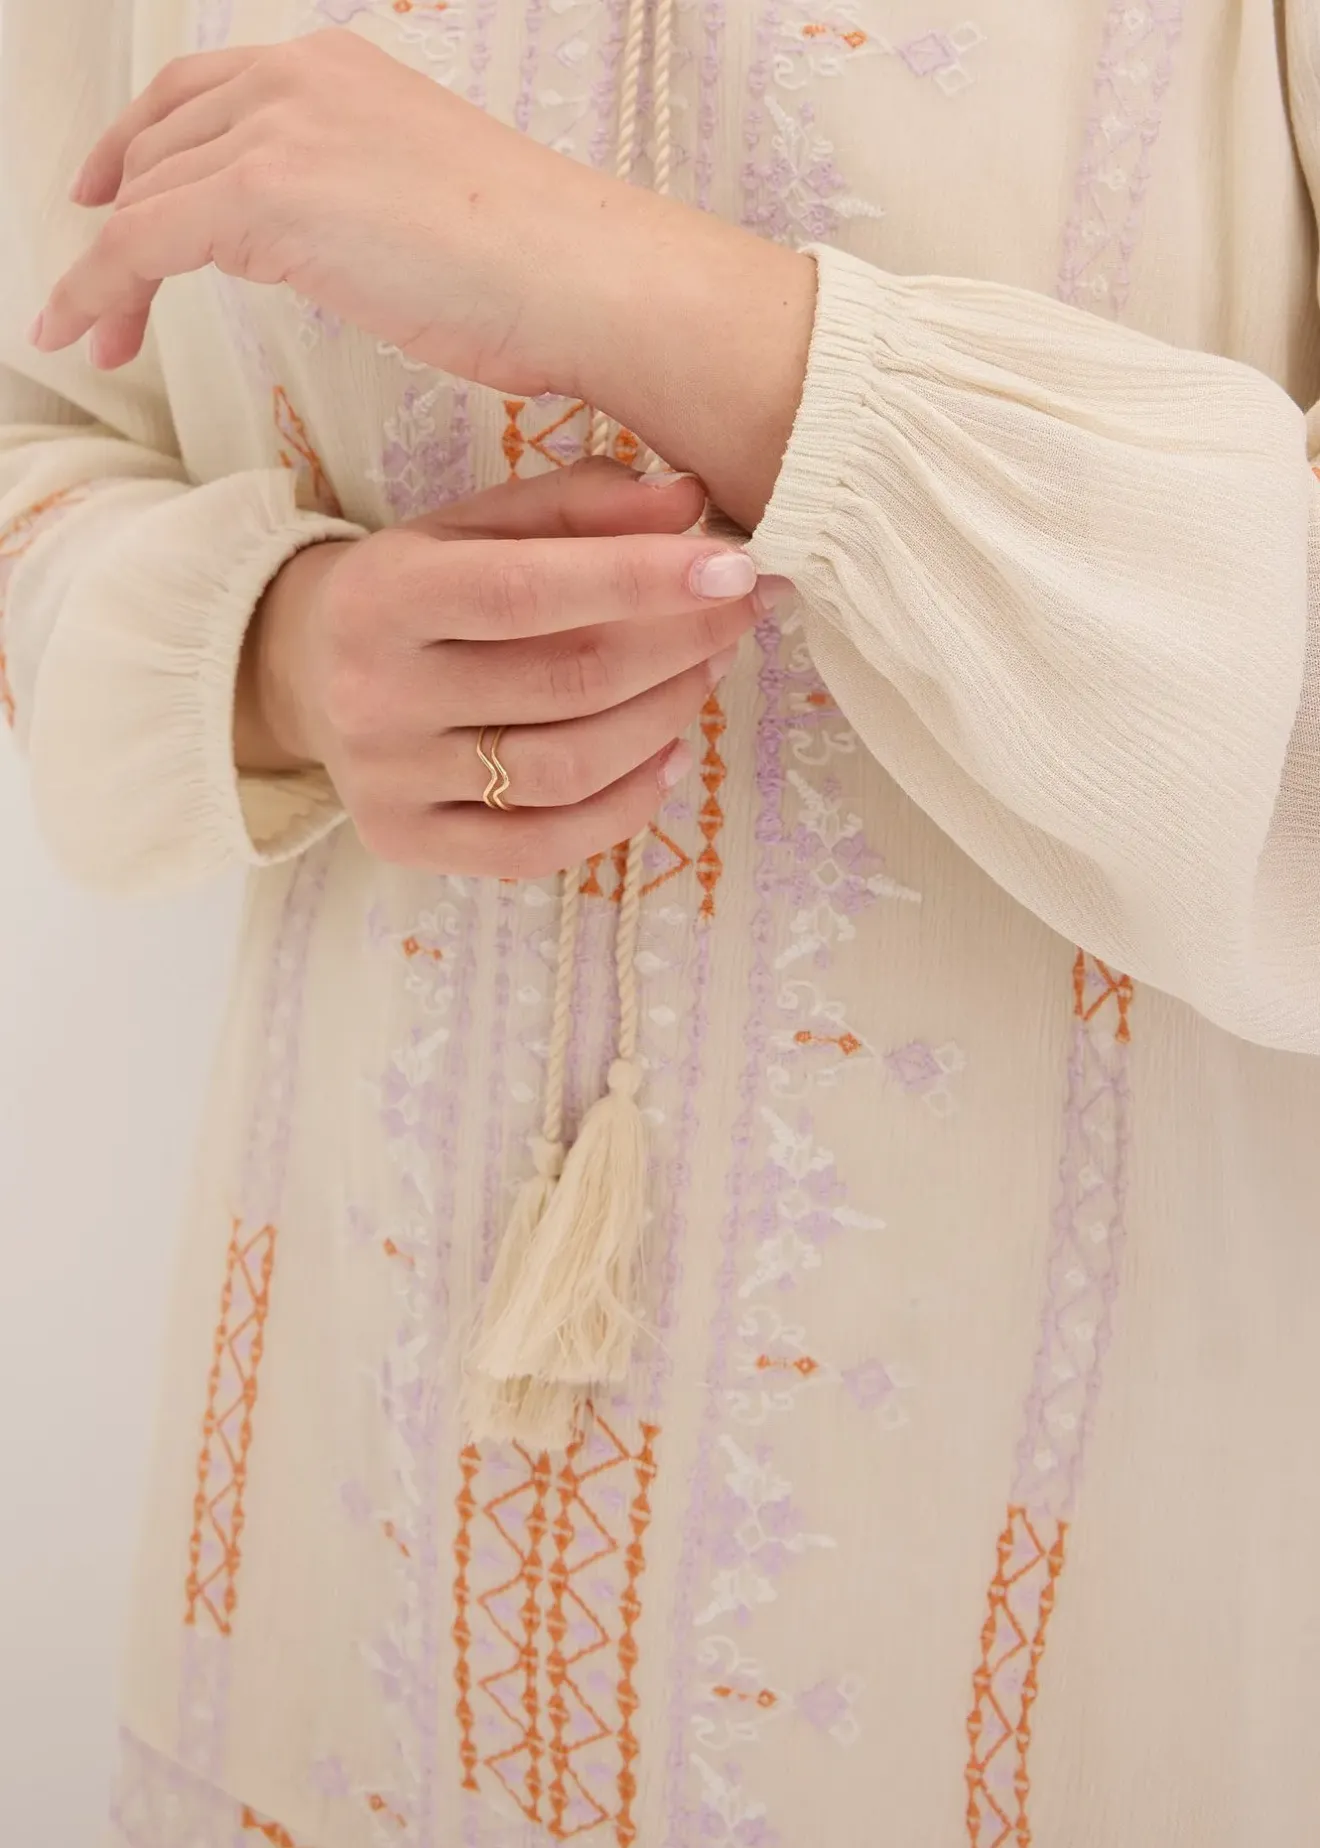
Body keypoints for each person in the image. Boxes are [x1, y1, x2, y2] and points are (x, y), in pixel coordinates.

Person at [4, 0, 1320, 1840]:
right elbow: (42, 422)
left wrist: (650, 300)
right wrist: (272, 657)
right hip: (338, 1606)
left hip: (1072, 1653)